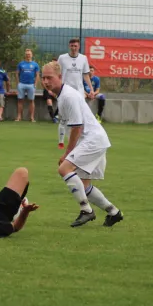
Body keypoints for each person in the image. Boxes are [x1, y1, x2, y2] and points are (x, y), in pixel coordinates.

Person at [42, 61, 123, 228]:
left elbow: (77, 127)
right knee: (84, 186)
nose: (46, 82)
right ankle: (114, 212)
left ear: (60, 77)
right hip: (96, 139)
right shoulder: (63, 96)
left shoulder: (68, 96)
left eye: (49, 78)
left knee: (64, 169)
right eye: (43, 78)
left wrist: (67, 153)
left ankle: (86, 210)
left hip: (92, 140)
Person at [56, 38, 96, 149]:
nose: (74, 48)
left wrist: (91, 89)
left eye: (76, 46)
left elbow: (85, 75)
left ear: (79, 47)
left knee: (79, 118)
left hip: (79, 93)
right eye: (72, 46)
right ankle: (61, 141)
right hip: (65, 92)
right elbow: (58, 73)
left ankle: (78, 140)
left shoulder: (83, 58)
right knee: (64, 118)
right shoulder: (62, 58)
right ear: (69, 46)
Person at [15, 49, 40, 122]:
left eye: (29, 54)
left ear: (32, 55)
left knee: (31, 101)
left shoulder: (35, 64)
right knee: (20, 100)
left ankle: (32, 117)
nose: (28, 55)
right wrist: (18, 83)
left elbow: (37, 75)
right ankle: (19, 117)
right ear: (25, 55)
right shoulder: (20, 64)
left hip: (31, 84)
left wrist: (35, 84)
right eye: (27, 54)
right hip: (21, 84)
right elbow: (17, 73)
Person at [42, 58, 59, 123]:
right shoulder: (46, 71)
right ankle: (53, 118)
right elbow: (43, 82)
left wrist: (56, 92)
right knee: (49, 102)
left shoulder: (59, 72)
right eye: (52, 63)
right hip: (48, 90)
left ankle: (56, 115)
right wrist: (49, 90)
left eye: (55, 63)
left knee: (61, 102)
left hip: (56, 90)